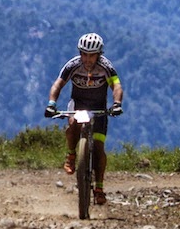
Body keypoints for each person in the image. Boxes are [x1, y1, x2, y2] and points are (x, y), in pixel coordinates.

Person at [45, 32, 124, 205]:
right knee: (72, 124)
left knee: (98, 147)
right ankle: (72, 154)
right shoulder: (73, 65)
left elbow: (116, 85)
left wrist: (117, 103)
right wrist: (51, 103)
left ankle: (99, 188)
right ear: (80, 53)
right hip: (78, 105)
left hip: (98, 108)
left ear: (99, 54)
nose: (88, 59)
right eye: (84, 54)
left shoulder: (106, 66)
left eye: (92, 55)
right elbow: (58, 84)